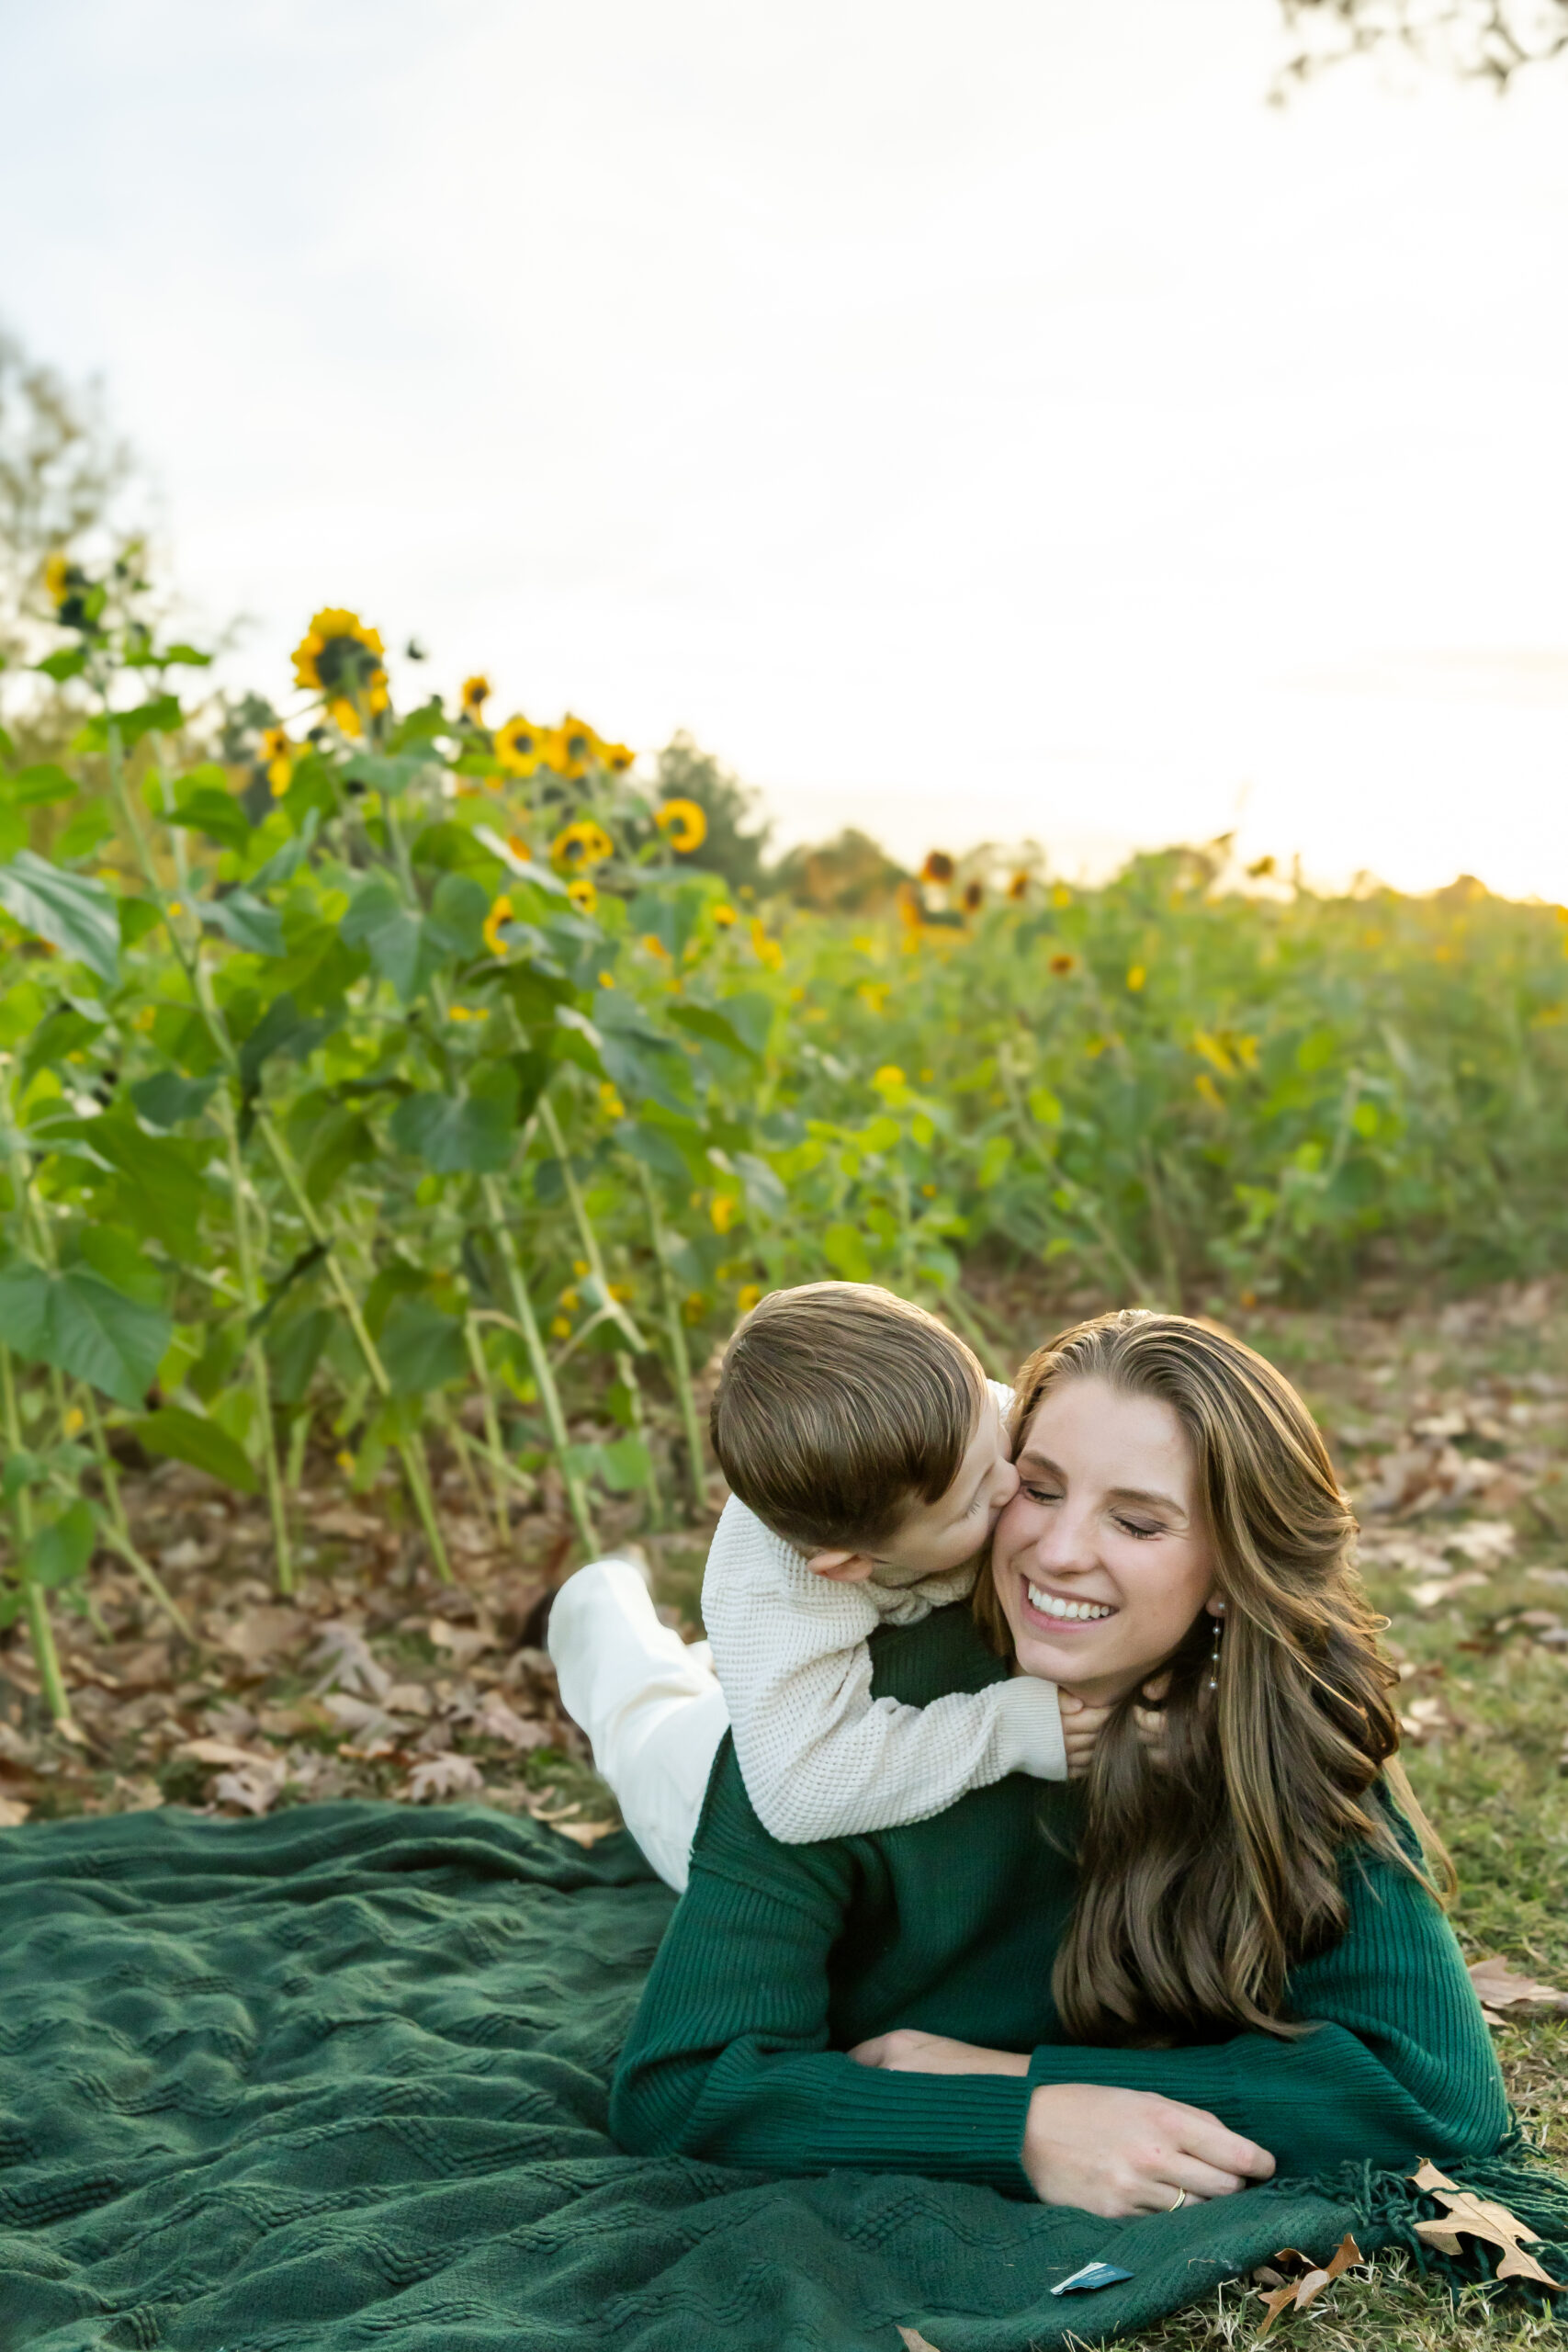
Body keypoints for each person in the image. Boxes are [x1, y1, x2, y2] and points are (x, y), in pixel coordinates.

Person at [609, 1310, 1507, 2218]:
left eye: (1137, 1520)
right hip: (738, 1764)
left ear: (1234, 1570)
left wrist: (1022, 2083)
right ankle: (605, 1613)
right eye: (1038, 1489)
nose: (1061, 1551)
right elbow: (681, 2089)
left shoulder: (1278, 1710)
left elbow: (1432, 2093)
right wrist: (1017, 2133)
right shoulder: (842, 1726)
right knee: (649, 1724)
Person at [548, 1283, 1109, 1892]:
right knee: (639, 1705)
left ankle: (703, 1660)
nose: (1010, 1484)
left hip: (797, 1672)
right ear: (847, 1564)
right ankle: (594, 1601)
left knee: (728, 1681)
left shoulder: (950, 1430)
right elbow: (799, 1793)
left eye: (996, 1441)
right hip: (688, 1794)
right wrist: (1004, 1728)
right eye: (971, 1503)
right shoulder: (772, 1587)